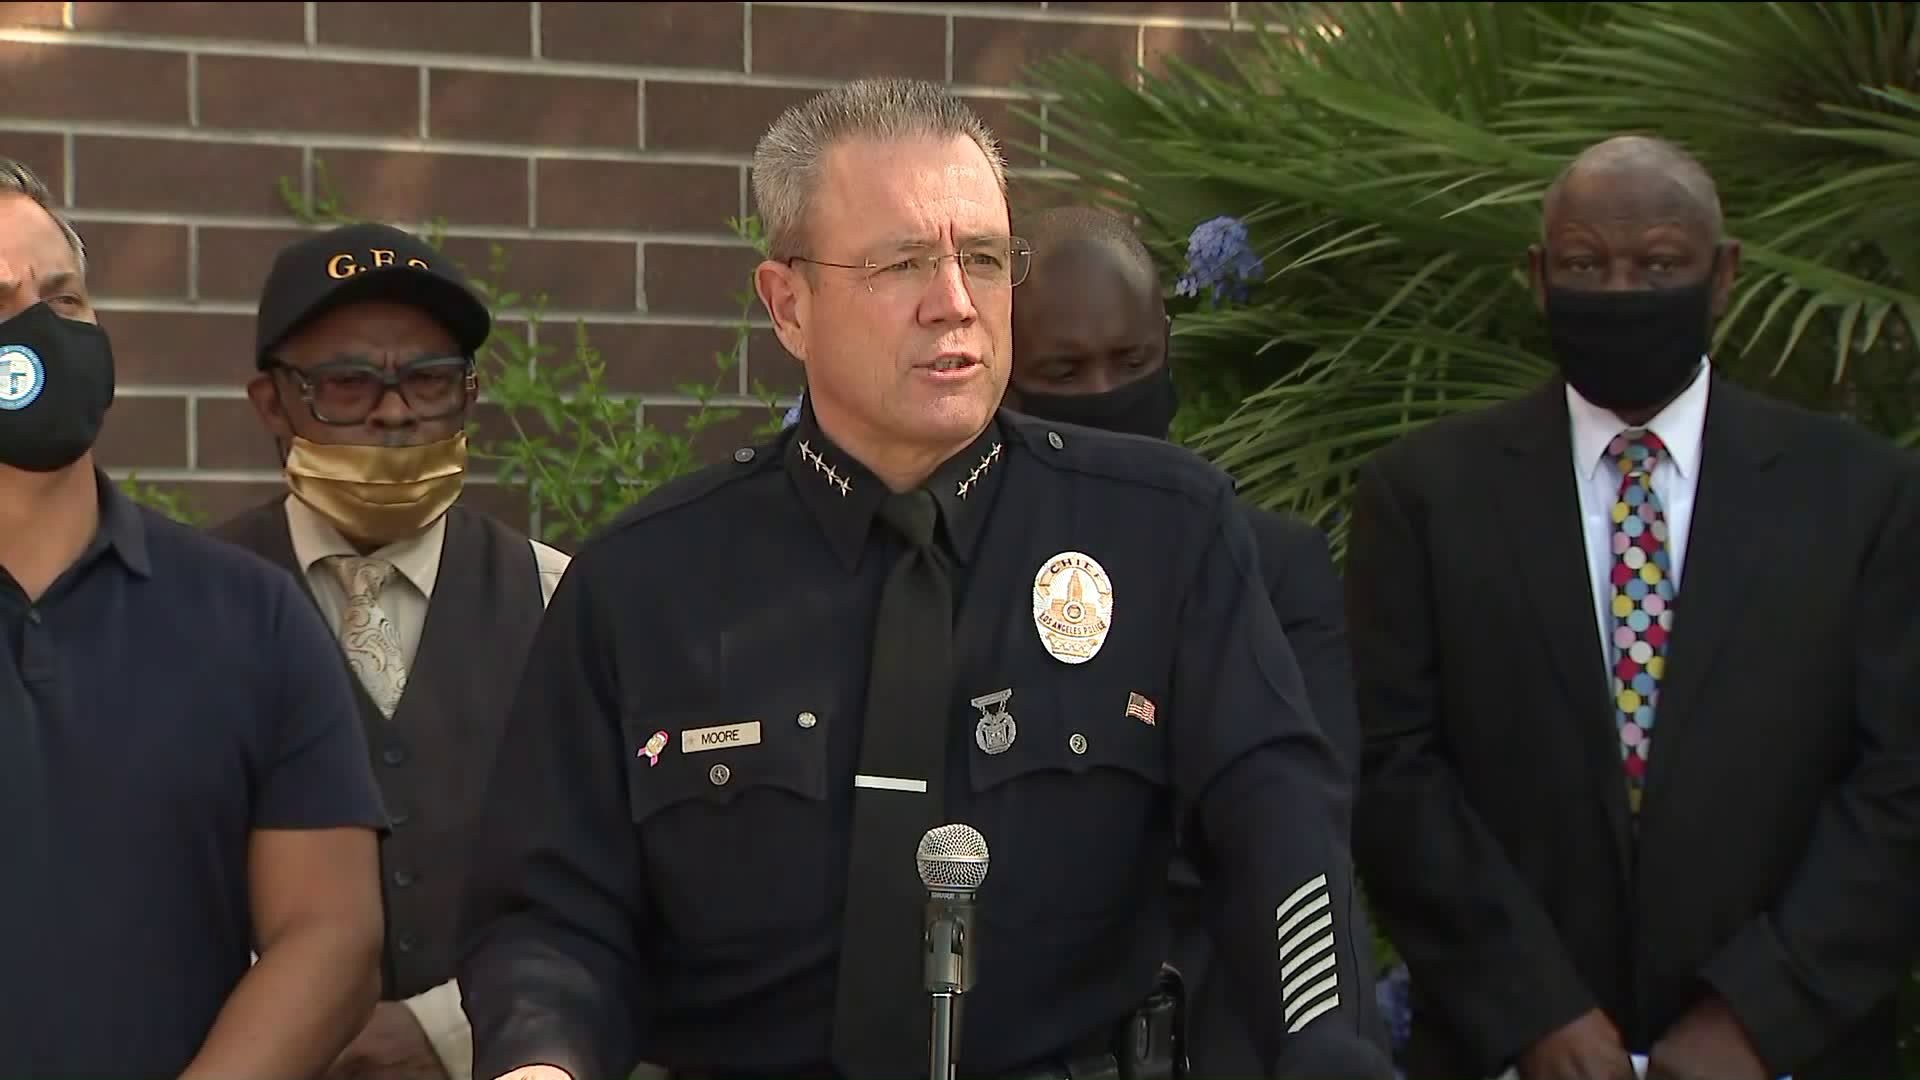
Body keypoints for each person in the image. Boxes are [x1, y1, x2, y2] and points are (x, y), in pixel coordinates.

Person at [456, 77, 1393, 1080]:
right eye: (903, 262)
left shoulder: (1163, 532)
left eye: (984, 260)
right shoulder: (645, 583)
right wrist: (541, 1060)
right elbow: (549, 918)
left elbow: (1280, 839)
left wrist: (1327, 1054)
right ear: (788, 304)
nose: (955, 303)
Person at [1346, 134, 1920, 1080]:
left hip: (1790, 1052)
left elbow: (1900, 782)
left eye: (1658, 264)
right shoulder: (1426, 497)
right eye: (1584, 264)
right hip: (1515, 1050)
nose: (1619, 292)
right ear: (1538, 276)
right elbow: (1393, 771)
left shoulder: (1861, 498)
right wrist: (1535, 1011)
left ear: (1722, 275)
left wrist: (1756, 1017)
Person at [0, 162, 388, 1077]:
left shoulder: (248, 617)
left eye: (65, 298)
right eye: (3, 300)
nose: (40, 328)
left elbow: (330, 935)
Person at [1005, 204, 1390, 1073]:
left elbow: (1296, 809)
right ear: (1008, 380)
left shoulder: (1273, 565)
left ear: (1167, 348)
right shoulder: (971, 568)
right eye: (1067, 368)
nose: (1107, 389)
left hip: (1227, 1011)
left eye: (1131, 361)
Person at [209, 221, 572, 1080]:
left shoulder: (556, 598)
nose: (396, 410)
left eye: (431, 380)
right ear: (272, 402)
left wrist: (443, 1029)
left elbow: (602, 874)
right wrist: (292, 1018)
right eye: (346, 383)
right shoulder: (191, 607)